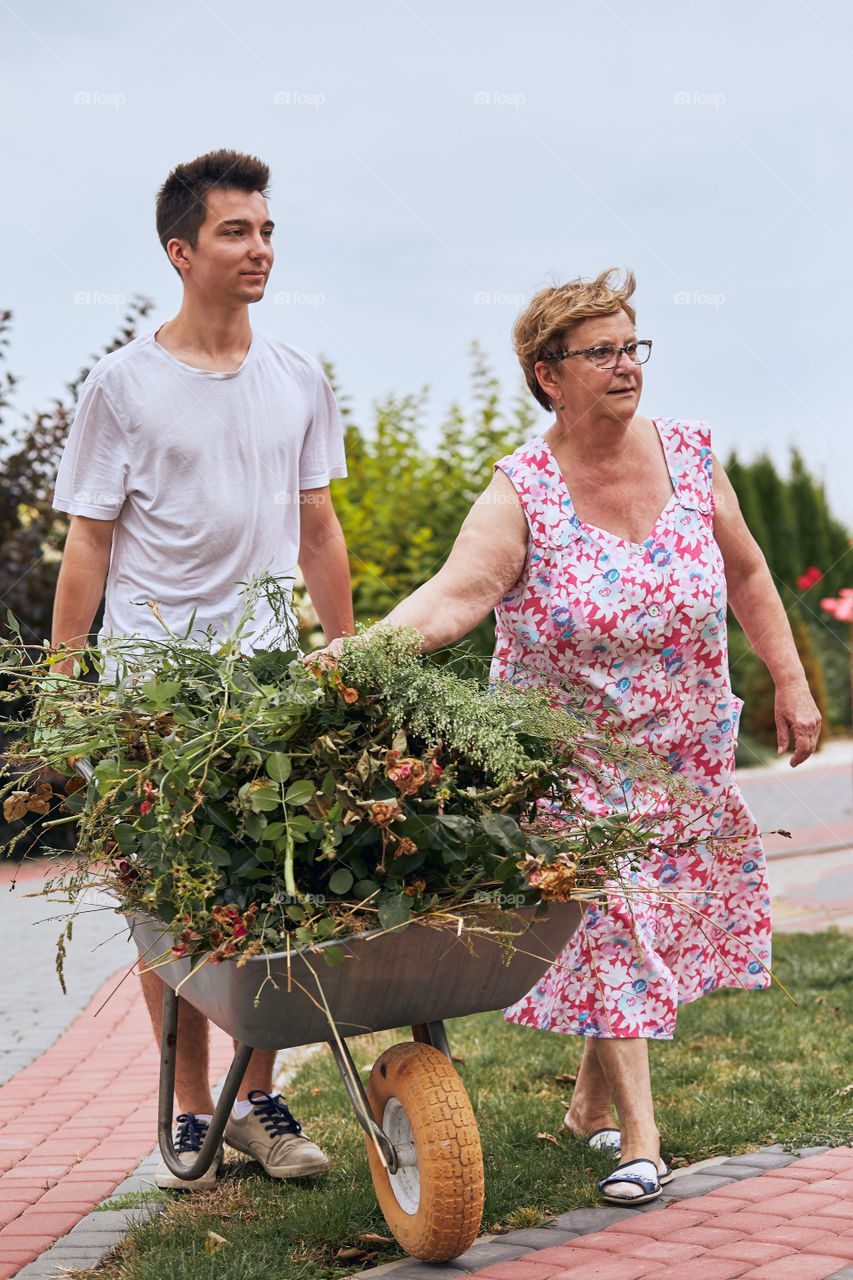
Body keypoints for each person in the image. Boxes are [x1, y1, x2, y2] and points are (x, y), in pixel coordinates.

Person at [316, 268, 821, 1205]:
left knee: (648, 919)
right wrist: (359, 658)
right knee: (613, 914)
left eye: (633, 346)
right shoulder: (523, 489)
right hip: (571, 753)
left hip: (681, 746)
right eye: (602, 352)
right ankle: (640, 1138)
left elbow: (749, 574)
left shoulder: (690, 454)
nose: (626, 366)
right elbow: (456, 596)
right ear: (547, 373)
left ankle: (588, 1109)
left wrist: (790, 680)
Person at [50, 149, 353, 1189]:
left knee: (277, 896)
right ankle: (187, 1107)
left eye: (266, 230)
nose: (259, 247)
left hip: (269, 684)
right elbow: (88, 542)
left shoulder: (300, 376)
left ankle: (255, 1098)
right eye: (236, 232)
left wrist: (344, 655)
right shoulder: (122, 388)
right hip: (151, 689)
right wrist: (66, 684)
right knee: (169, 904)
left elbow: (318, 525)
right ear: (181, 251)